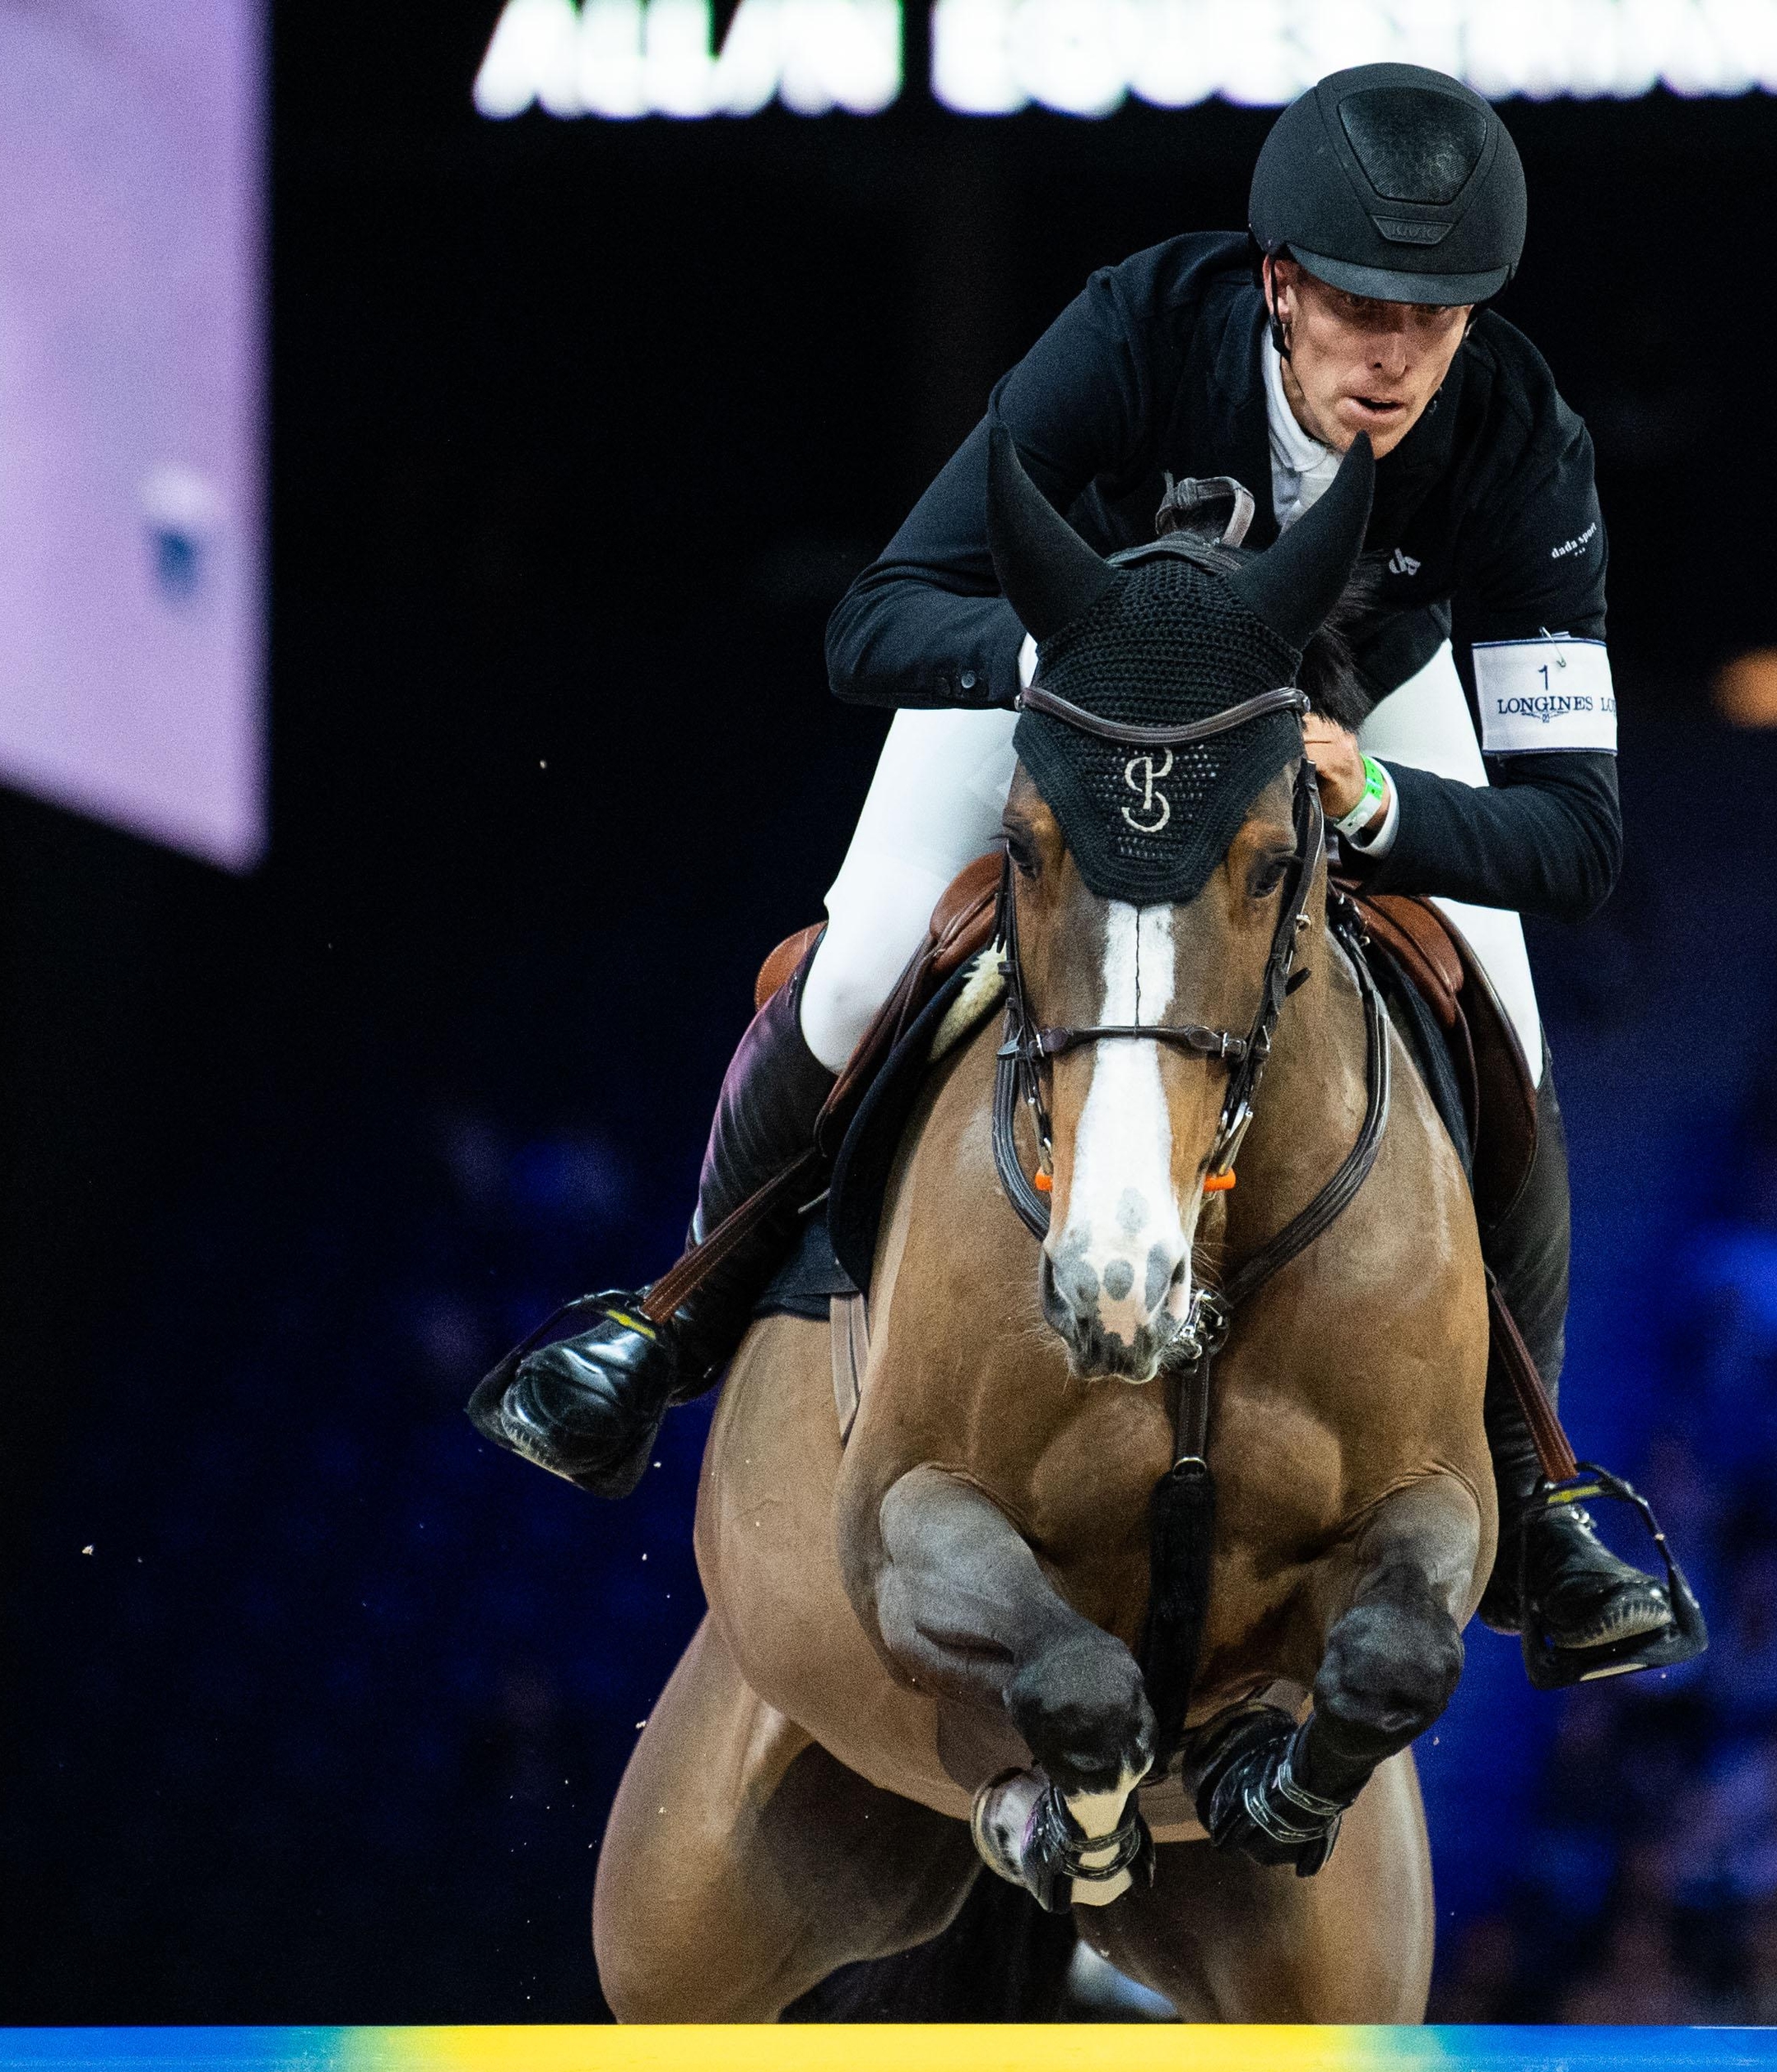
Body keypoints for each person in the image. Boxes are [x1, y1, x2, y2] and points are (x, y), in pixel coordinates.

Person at [471, 62, 1670, 1674]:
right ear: (1278, 285)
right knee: (867, 950)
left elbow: (1578, 839)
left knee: (1509, 1043)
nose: (1395, 358)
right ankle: (672, 1317)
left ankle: (1535, 1491)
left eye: (1434, 319)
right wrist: (1094, 655)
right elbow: (880, 616)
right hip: (1079, 671)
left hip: (1354, 695)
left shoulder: (1523, 440)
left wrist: (1376, 795)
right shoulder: (1137, 328)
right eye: (1360, 309)